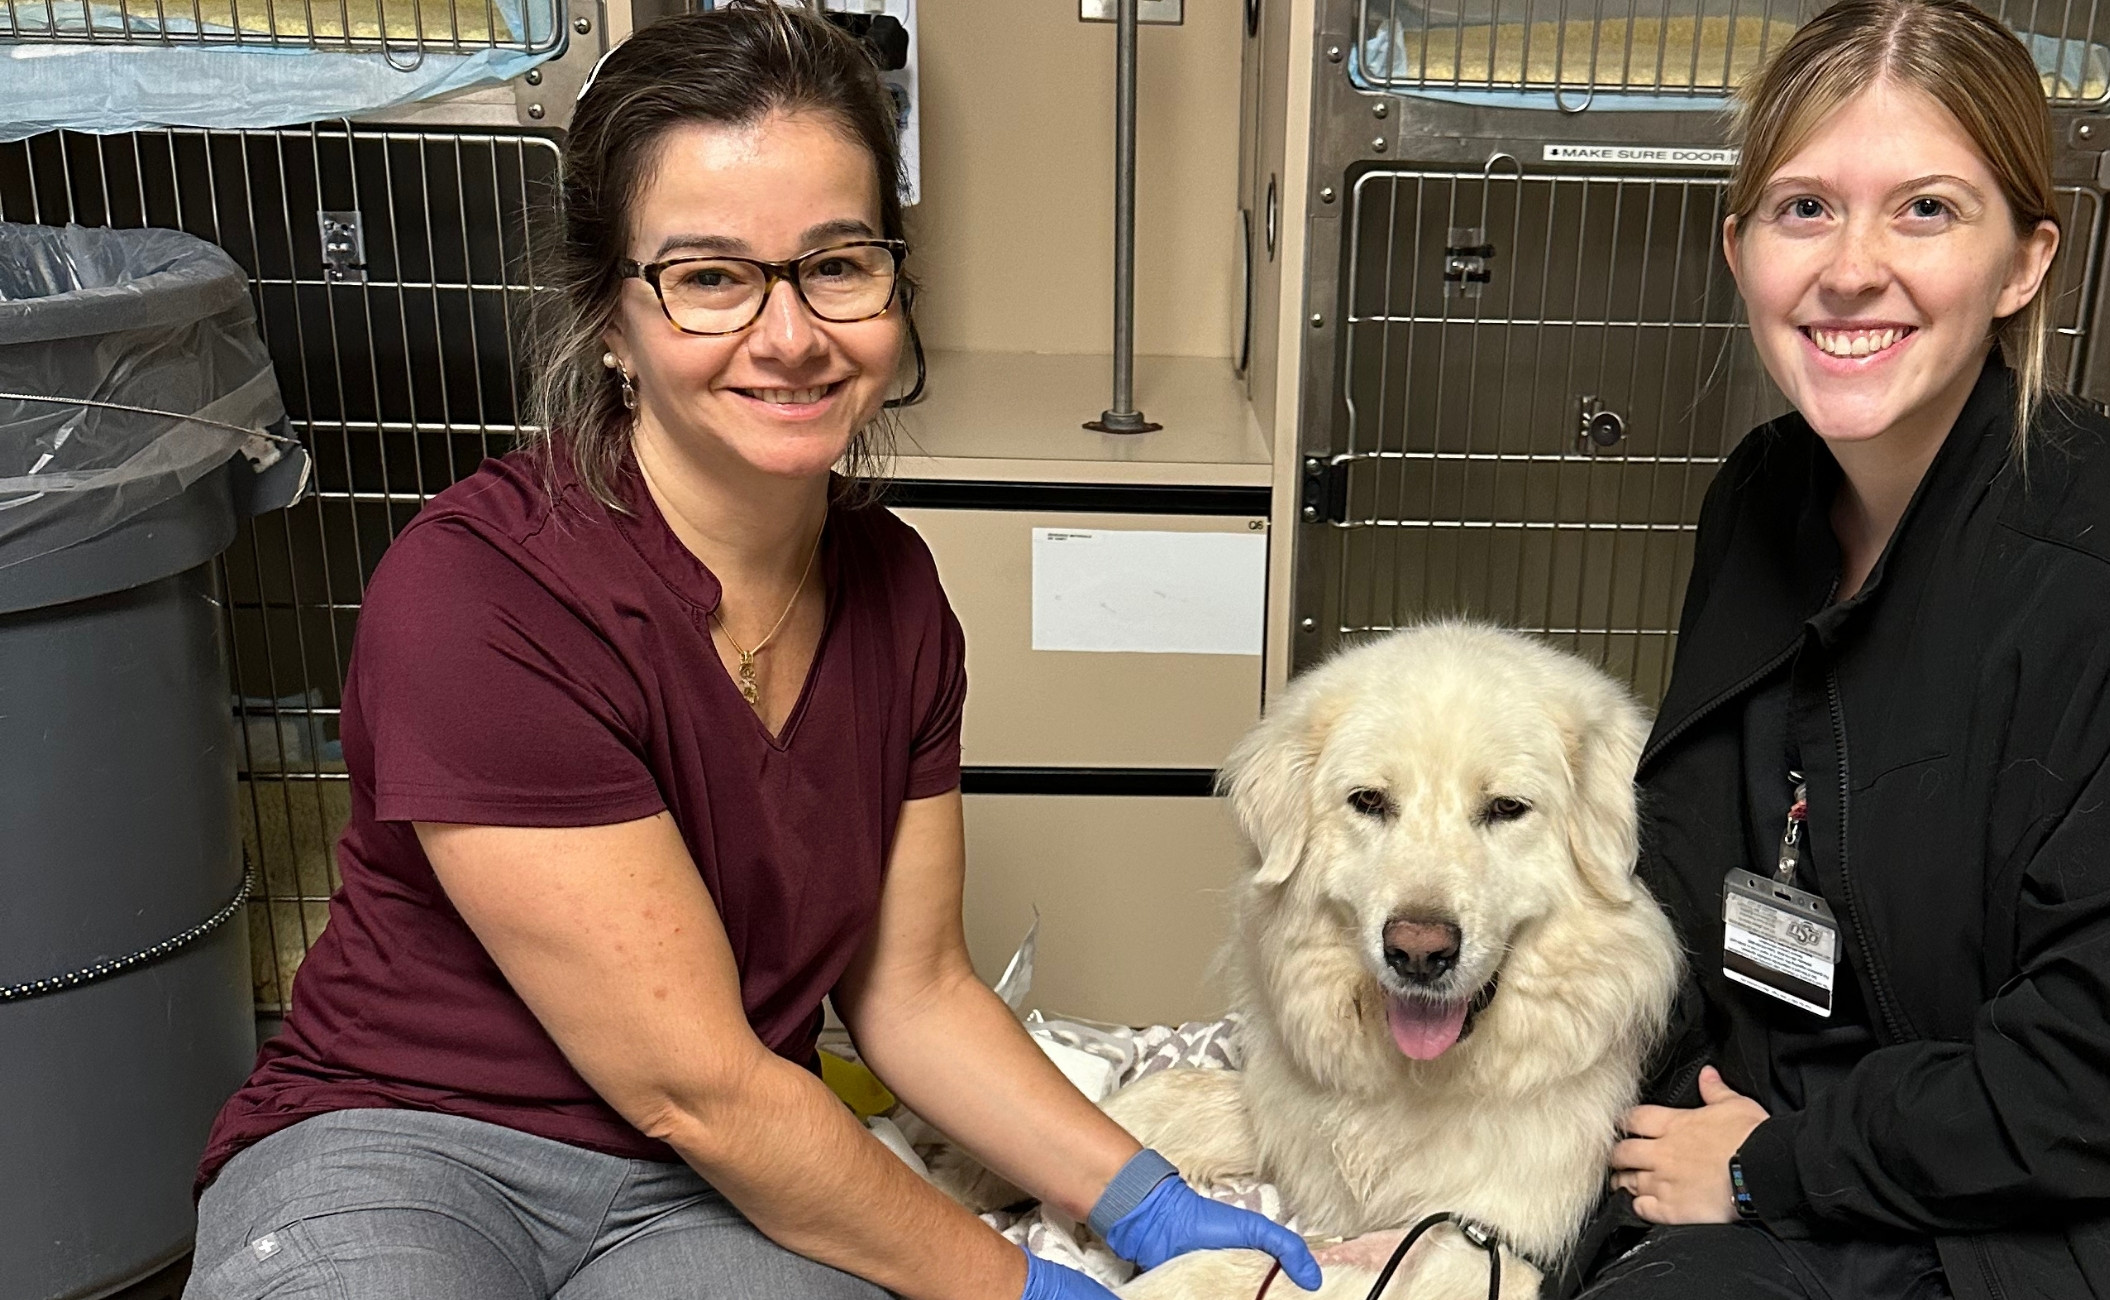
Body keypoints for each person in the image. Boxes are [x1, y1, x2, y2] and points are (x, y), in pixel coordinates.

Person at [182, 7, 1320, 1300]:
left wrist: (1146, 1198)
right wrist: (1014, 1290)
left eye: (835, 264)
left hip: (708, 1189)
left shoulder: (895, 595)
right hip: (414, 1142)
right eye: (711, 277)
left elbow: (912, 993)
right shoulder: (482, 594)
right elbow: (695, 1085)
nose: (790, 336)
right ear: (610, 320)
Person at [1573, 2, 2110, 1297]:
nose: (1850, 268)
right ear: (1739, 252)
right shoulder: (1760, 501)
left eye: (1926, 210)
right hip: (1819, 1157)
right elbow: (1690, 875)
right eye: (1804, 209)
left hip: (2098, 1226)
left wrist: (1766, 1168)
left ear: (2024, 263)